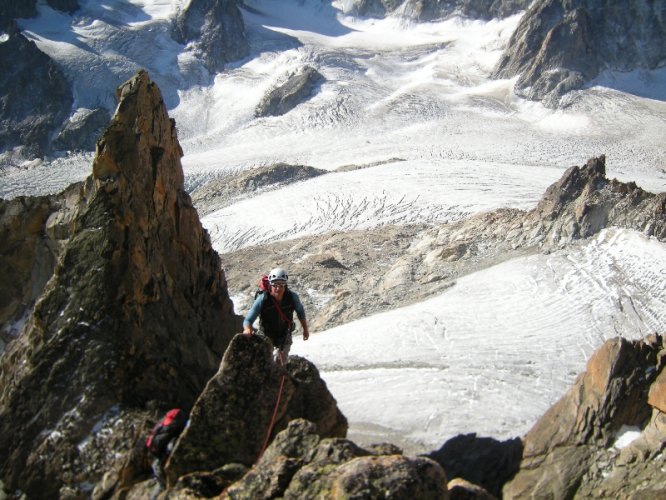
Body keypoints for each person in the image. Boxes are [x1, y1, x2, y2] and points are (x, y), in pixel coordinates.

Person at [243, 267, 309, 361]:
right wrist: (247, 329)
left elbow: (300, 312)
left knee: (281, 365)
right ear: (270, 285)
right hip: (265, 336)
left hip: (284, 336)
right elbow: (248, 320)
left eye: (281, 285)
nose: (278, 288)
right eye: (275, 285)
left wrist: (305, 330)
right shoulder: (263, 299)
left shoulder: (292, 297)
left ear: (285, 286)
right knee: (266, 364)